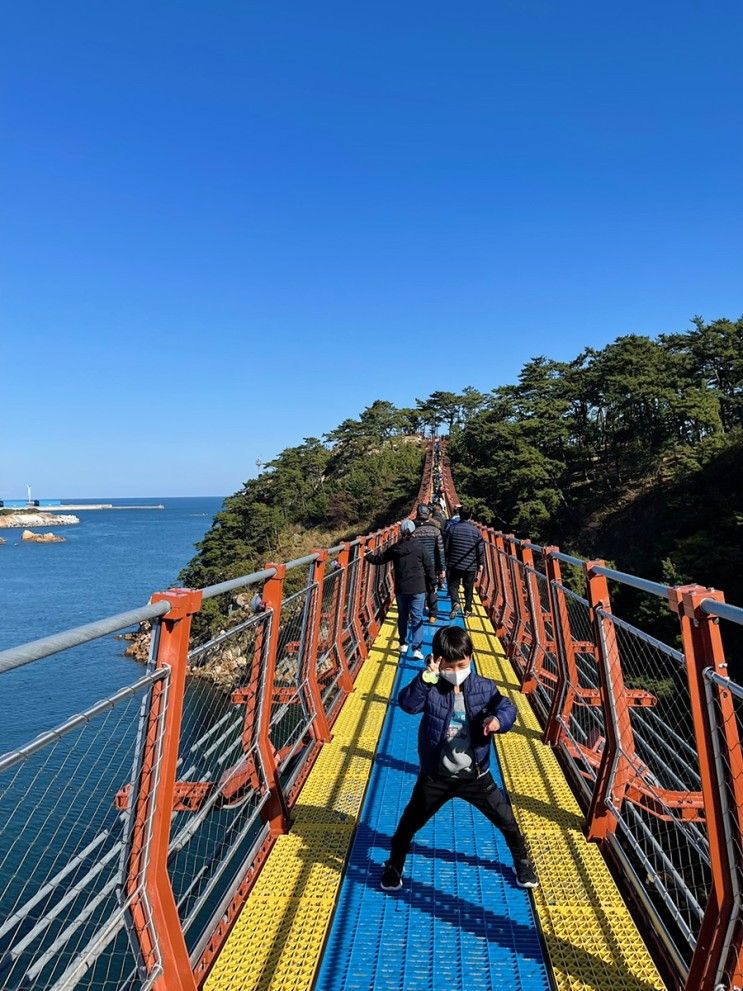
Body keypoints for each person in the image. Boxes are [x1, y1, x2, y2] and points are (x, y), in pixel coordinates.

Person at [380, 626, 538, 891]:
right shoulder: (432, 689)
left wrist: (498, 720)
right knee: (409, 822)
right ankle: (395, 864)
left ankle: (521, 860)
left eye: (461, 665)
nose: (455, 673)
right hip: (436, 776)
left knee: (507, 820)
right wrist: (426, 678)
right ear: (437, 661)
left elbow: (507, 707)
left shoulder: (483, 688)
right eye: (448, 667)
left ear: (471, 658)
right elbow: (407, 704)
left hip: (475, 776)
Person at [365, 519, 434, 660]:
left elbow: (379, 559)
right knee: (417, 618)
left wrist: (367, 554)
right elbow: (429, 566)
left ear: (401, 532)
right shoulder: (420, 548)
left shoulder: (395, 548)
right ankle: (417, 649)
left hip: (401, 588)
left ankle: (403, 643)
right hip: (418, 588)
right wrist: (432, 583)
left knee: (402, 617)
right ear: (414, 531)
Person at [444, 506, 484, 619]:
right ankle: (467, 610)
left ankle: (455, 602)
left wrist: (445, 562)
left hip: (454, 563)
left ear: (459, 515)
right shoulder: (476, 532)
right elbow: (480, 549)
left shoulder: (452, 529)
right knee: (468, 587)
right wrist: (481, 563)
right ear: (470, 516)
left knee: (453, 586)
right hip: (470, 565)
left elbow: (446, 547)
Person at [411, 504, 446, 623]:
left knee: (418, 590)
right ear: (429, 515)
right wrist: (442, 569)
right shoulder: (436, 531)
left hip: (416, 565)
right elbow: (440, 551)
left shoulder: (413, 531)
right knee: (432, 590)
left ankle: (417, 613)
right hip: (432, 565)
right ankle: (433, 614)